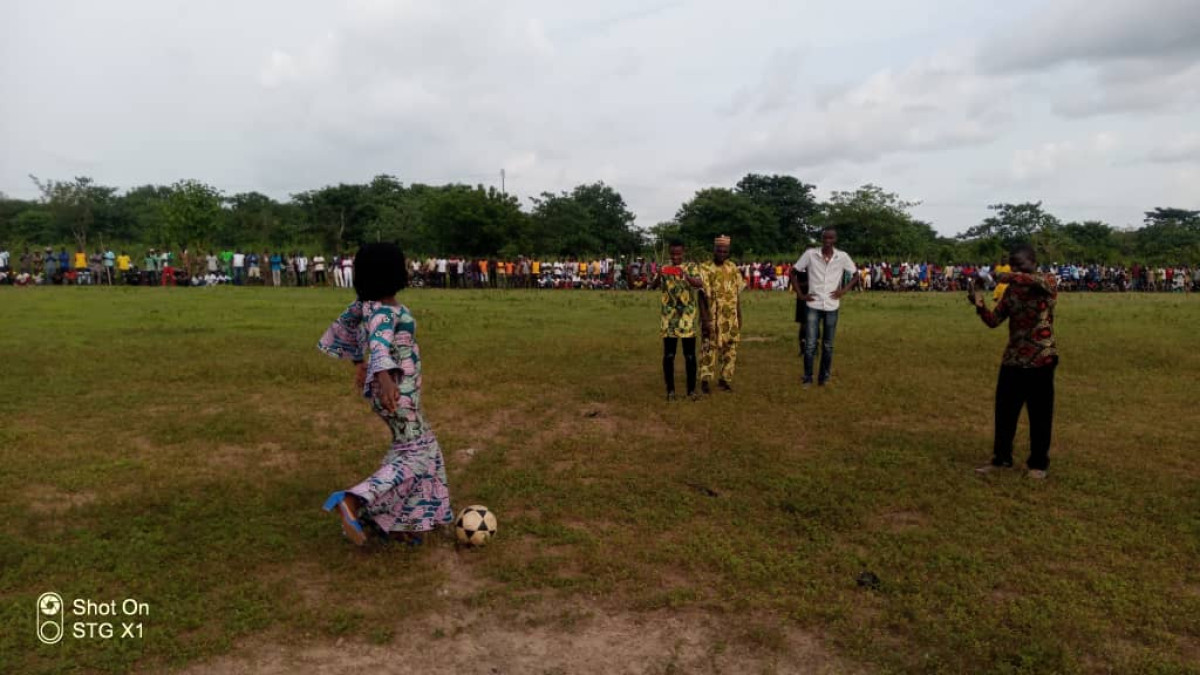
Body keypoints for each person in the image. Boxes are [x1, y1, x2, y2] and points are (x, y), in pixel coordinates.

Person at [318, 242, 453, 546]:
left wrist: (358, 364)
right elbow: (379, 344)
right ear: (394, 272)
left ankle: (398, 522)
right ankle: (354, 500)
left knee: (419, 449)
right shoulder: (385, 311)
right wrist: (384, 378)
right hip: (397, 391)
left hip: (393, 390)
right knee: (417, 453)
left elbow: (345, 328)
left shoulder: (365, 307)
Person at [970, 243, 1058, 480]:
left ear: (1033, 262)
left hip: (1041, 359)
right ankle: (1001, 459)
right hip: (1013, 359)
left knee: (1040, 415)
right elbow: (993, 321)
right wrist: (978, 302)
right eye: (1013, 264)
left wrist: (1001, 274)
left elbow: (1030, 280)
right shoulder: (1012, 292)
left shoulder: (1046, 282)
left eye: (1021, 264)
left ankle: (1038, 463)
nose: (1017, 269)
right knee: (1005, 413)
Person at [794, 228, 859, 388]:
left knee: (828, 344)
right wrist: (801, 295)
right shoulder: (810, 254)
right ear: (821, 239)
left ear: (835, 240)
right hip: (813, 304)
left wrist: (843, 290)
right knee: (810, 344)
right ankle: (808, 378)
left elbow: (856, 275)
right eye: (825, 238)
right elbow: (792, 272)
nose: (827, 241)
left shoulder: (842, 256)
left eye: (830, 238)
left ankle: (824, 377)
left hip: (831, 305)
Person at [651, 240, 706, 401]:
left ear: (683, 252)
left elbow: (699, 284)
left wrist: (686, 276)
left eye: (678, 254)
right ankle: (670, 391)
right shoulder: (665, 268)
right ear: (669, 253)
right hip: (669, 319)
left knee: (689, 355)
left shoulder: (691, 267)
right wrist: (659, 275)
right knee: (669, 355)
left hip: (687, 318)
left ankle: (691, 391)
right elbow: (653, 286)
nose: (675, 257)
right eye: (673, 254)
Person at [698, 235, 744, 393]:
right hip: (712, 315)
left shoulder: (733, 268)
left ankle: (725, 379)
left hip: (730, 317)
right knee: (709, 347)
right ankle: (705, 380)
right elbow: (701, 295)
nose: (722, 253)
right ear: (714, 250)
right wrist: (704, 319)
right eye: (719, 250)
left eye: (725, 251)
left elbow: (737, 294)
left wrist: (739, 315)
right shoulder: (705, 268)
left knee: (731, 348)